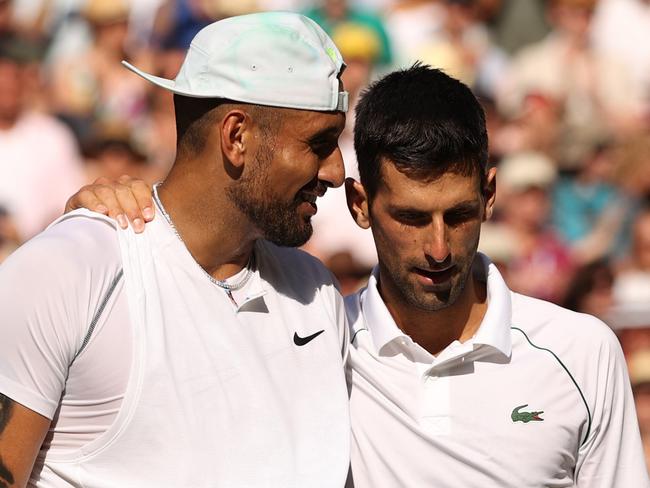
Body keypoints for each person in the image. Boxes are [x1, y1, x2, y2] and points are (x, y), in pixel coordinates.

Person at [75, 64, 650, 487]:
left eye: (459, 214)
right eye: (409, 217)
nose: (438, 247)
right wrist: (112, 212)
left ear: (490, 195)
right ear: (358, 205)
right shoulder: (309, 342)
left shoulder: (582, 353)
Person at [0, 12, 352, 487]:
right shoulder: (69, 269)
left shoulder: (317, 292)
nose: (335, 170)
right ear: (237, 136)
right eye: (319, 143)